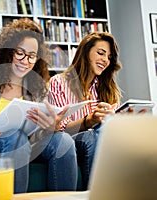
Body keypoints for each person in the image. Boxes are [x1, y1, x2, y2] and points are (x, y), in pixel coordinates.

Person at [0, 18, 78, 193]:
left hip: (31, 146)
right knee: (16, 138)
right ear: (8, 51)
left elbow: (39, 134)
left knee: (64, 140)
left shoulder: (39, 89)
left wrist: (49, 128)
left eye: (32, 55)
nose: (25, 60)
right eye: (20, 52)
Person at [48, 32, 122, 190]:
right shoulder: (59, 82)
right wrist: (89, 120)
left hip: (101, 141)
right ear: (85, 52)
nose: (105, 60)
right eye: (101, 53)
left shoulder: (107, 89)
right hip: (70, 141)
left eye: (109, 57)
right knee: (91, 135)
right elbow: (60, 128)